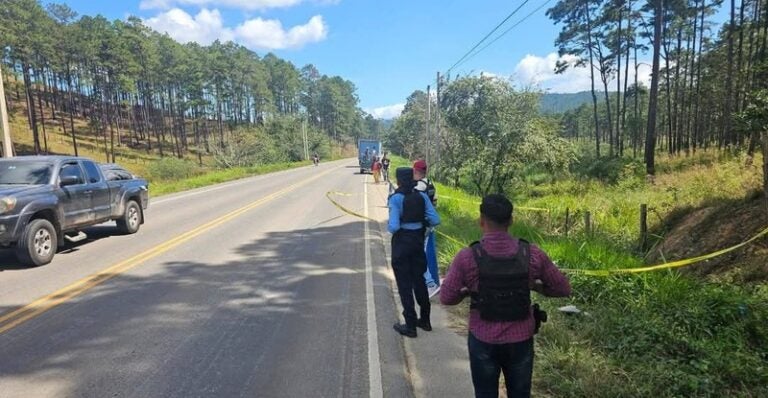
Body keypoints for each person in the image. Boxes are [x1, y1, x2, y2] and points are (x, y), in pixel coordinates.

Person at [440, 194, 571, 398]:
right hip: (520, 339)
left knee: (485, 393)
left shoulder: (467, 257)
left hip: (483, 338)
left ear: (481, 220)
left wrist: (467, 292)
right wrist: (536, 287)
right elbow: (563, 288)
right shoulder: (532, 254)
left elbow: (447, 297)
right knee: (520, 393)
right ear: (511, 220)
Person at [388, 167, 441, 338]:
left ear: (398, 180)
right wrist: (420, 222)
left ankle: (410, 325)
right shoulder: (422, 196)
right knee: (419, 280)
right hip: (418, 244)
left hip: (401, 244)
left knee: (404, 284)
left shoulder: (396, 199)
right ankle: (425, 320)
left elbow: (394, 226)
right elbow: (435, 220)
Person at [413, 159, 440, 298]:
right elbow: (435, 203)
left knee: (419, 255)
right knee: (423, 253)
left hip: (422, 225)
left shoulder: (418, 187)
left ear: (417, 172)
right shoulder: (430, 184)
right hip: (430, 222)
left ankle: (430, 284)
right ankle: (429, 281)